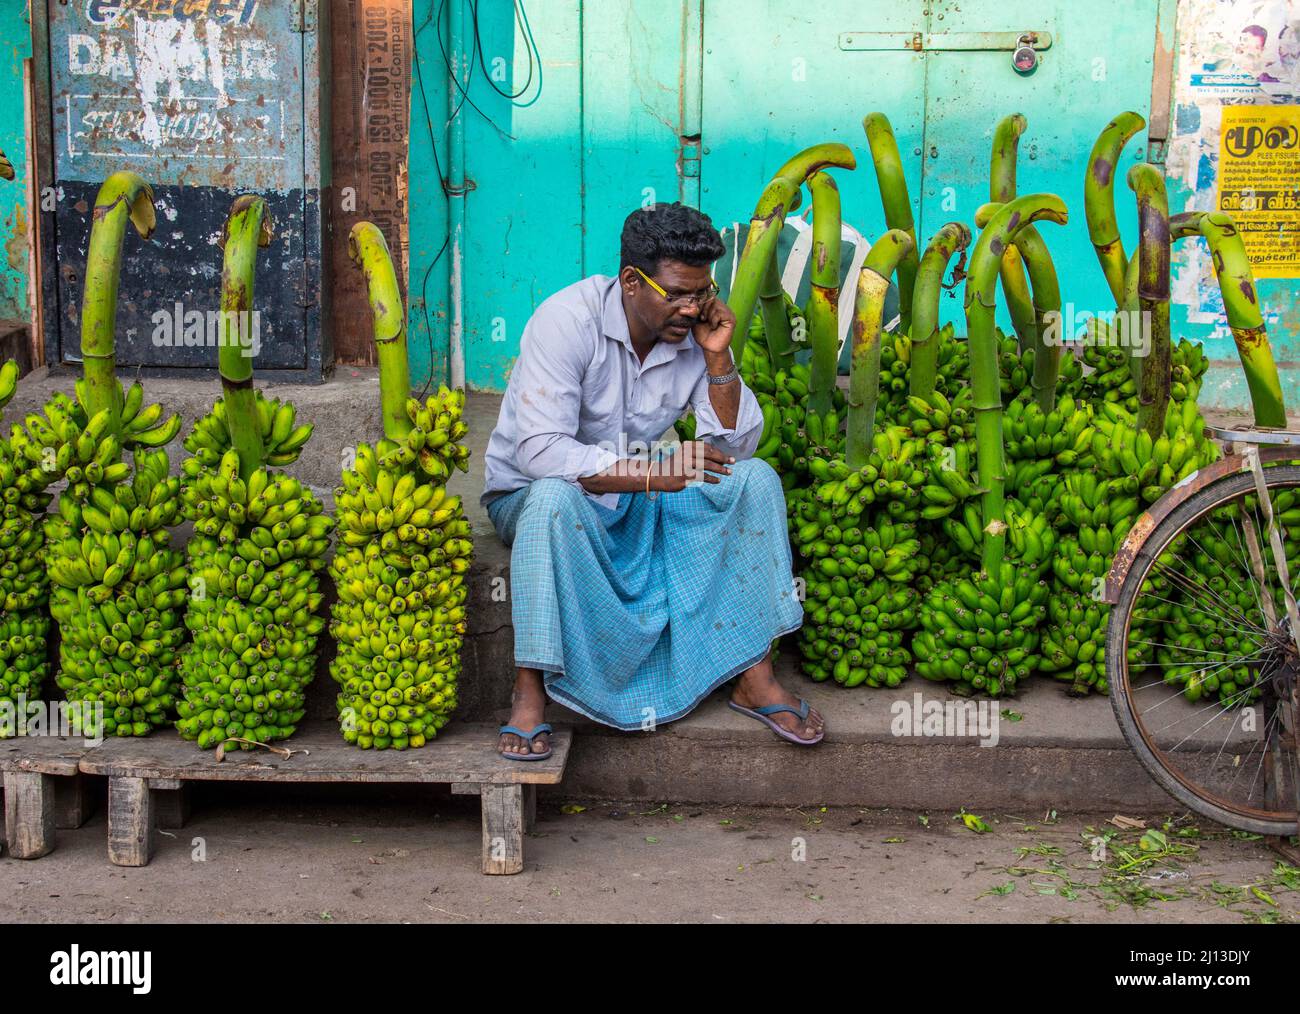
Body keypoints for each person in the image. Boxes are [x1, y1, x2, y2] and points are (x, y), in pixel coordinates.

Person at [481, 202, 825, 760]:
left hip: (637, 491)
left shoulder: (693, 333)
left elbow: (734, 448)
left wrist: (718, 360)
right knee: (549, 502)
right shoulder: (566, 321)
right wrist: (653, 475)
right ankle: (530, 693)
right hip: (537, 496)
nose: (692, 309)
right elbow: (542, 452)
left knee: (755, 481)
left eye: (702, 292)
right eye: (677, 294)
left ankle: (753, 676)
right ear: (631, 281)